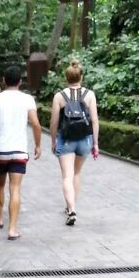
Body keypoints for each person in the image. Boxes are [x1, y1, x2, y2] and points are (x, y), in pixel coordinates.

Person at [0, 65, 42, 240]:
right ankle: (12, 228)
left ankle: (0, 218)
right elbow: (36, 125)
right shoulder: (27, 99)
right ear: (20, 82)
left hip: (0, 151)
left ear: (3, 81)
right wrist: (38, 145)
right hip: (19, 151)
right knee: (15, 188)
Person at [50, 59, 99, 226]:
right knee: (76, 173)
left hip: (66, 140)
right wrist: (96, 144)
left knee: (67, 176)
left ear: (66, 78)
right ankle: (71, 205)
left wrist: (53, 140)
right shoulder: (89, 95)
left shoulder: (59, 96)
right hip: (85, 140)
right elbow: (94, 121)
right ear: (81, 77)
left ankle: (71, 209)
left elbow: (54, 122)